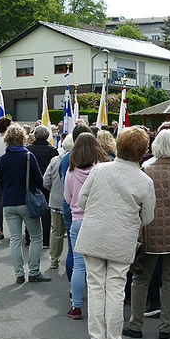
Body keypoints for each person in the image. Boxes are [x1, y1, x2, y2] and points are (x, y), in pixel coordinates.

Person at [76, 127, 156, 339]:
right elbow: (148, 217)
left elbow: (82, 200)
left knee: (95, 288)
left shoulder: (99, 170)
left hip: (93, 235)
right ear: (142, 152)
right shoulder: (144, 180)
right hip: (121, 239)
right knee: (115, 290)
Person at [124, 129, 170, 339]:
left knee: (141, 279)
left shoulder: (145, 170)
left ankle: (136, 325)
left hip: (150, 233)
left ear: (155, 146)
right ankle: (166, 326)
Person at [0, 124, 49, 283]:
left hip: (9, 202)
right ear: (22, 138)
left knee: (15, 239)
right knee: (36, 237)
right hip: (26, 201)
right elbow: (40, 180)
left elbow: (1, 181)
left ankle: (19, 274)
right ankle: (33, 272)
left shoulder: (2, 159)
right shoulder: (28, 156)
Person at [63, 132, 106, 317]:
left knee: (79, 266)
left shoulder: (71, 172)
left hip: (78, 221)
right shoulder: (103, 169)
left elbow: (67, 198)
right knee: (101, 266)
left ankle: (76, 306)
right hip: (99, 220)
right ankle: (103, 306)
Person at [60, 123, 92, 285]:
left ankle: (74, 288)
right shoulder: (99, 163)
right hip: (92, 213)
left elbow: (65, 189)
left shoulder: (67, 160)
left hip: (72, 209)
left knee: (73, 251)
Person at [27, 126, 59, 248]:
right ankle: (46, 241)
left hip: (31, 184)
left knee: (30, 211)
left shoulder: (28, 149)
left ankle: (29, 238)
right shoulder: (52, 150)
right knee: (46, 214)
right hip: (47, 185)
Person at [43, 134, 71, 270]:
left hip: (56, 200)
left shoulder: (55, 160)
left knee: (56, 232)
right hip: (73, 202)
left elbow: (46, 180)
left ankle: (54, 259)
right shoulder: (80, 160)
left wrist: (53, 190)